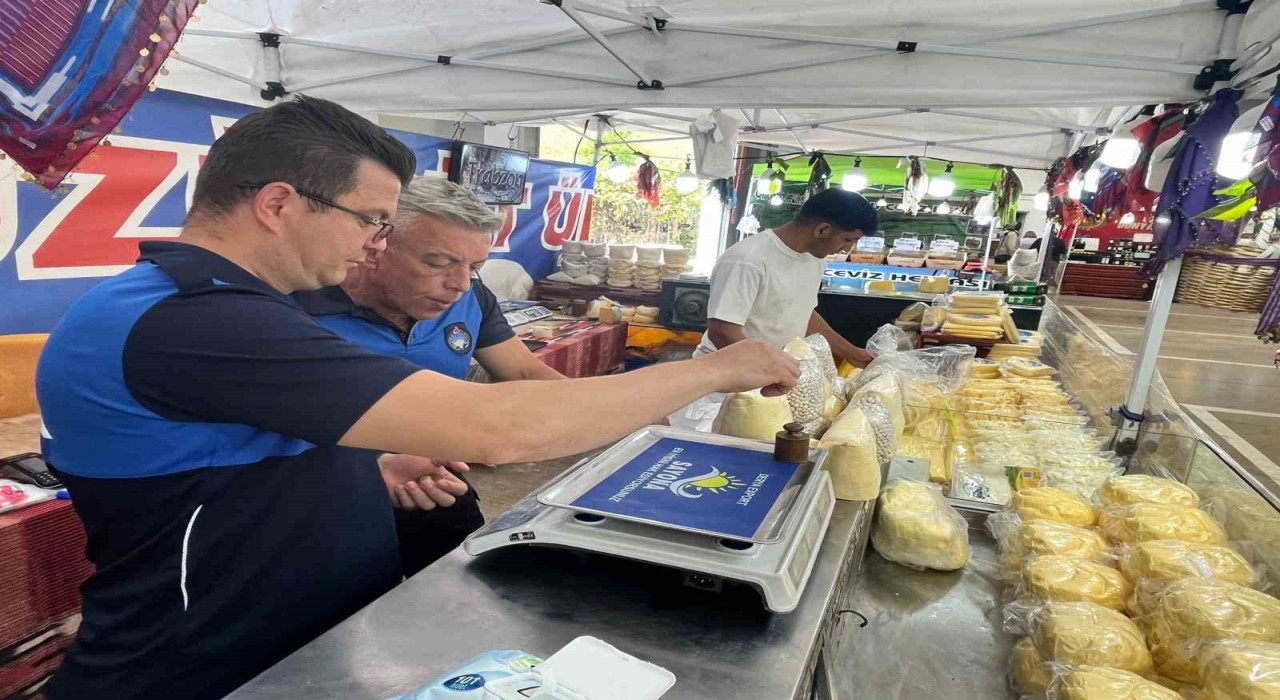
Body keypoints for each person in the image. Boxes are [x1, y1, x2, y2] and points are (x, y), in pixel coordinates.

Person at [34, 96, 799, 700]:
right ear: (277, 203)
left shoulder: (230, 305)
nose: (373, 244)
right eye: (369, 220)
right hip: (202, 666)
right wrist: (711, 371)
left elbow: (239, 453)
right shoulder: (192, 320)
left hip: (298, 637)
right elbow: (497, 427)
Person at [294, 176, 565, 575]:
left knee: (477, 585)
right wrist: (373, 470)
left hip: (433, 481)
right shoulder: (293, 309)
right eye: (437, 263)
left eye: (474, 267)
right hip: (321, 494)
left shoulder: (471, 298)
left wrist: (628, 413)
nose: (457, 284)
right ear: (377, 246)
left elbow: (523, 370)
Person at [697, 188, 878, 366]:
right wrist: (769, 368)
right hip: (727, 379)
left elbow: (803, 313)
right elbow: (722, 331)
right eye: (848, 240)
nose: (847, 249)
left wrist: (853, 354)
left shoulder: (814, 258)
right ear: (822, 230)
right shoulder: (747, 260)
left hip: (772, 376)